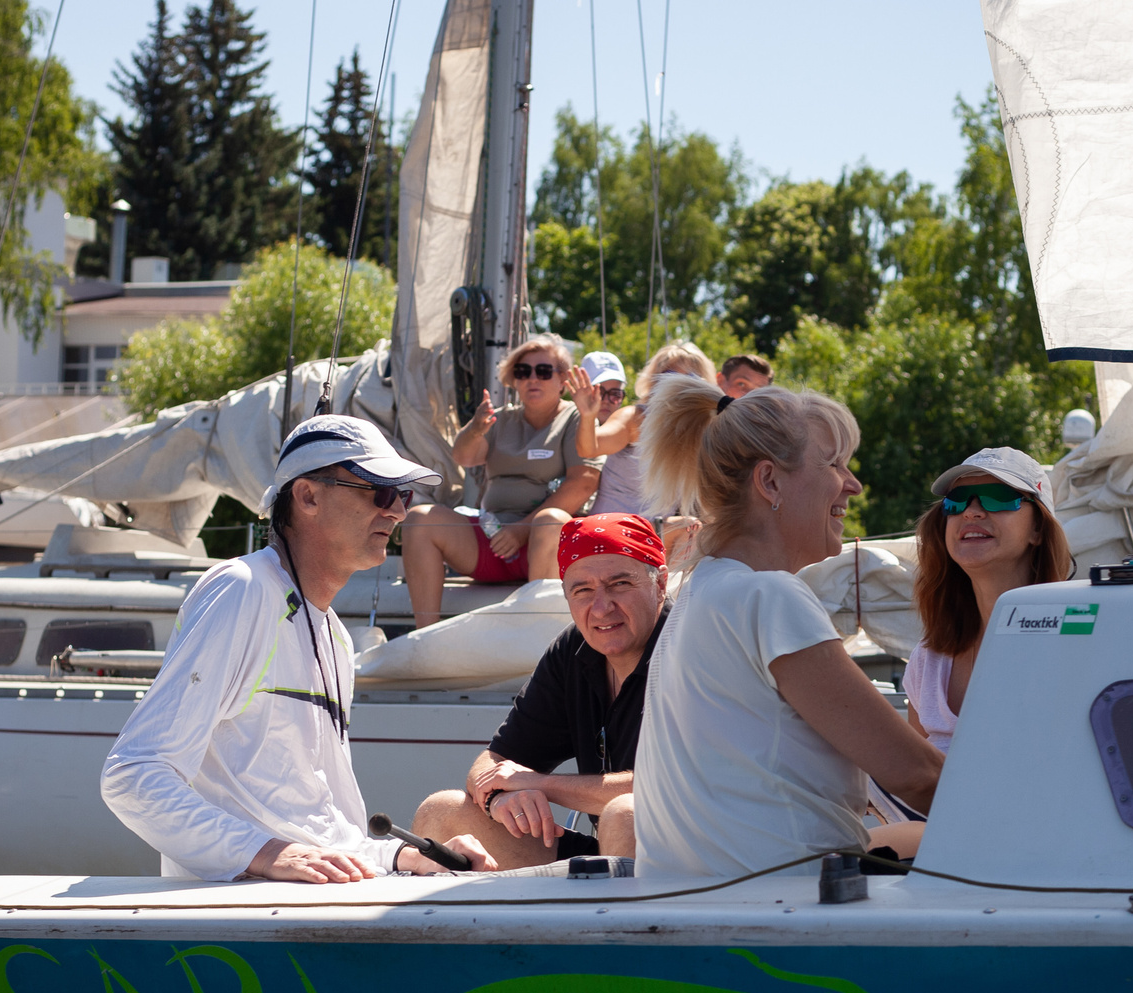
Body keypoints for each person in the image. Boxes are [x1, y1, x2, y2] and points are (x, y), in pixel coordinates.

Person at [103, 417, 498, 883]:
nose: (397, 512)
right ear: (308, 496)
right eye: (379, 492)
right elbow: (133, 774)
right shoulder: (242, 589)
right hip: (239, 915)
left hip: (303, 903)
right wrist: (264, 853)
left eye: (403, 495)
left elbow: (325, 824)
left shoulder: (334, 636)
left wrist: (401, 858)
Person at [630, 377, 945, 878]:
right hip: (788, 916)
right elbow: (918, 775)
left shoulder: (701, 593)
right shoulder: (767, 596)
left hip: (713, 911)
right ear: (770, 482)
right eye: (834, 463)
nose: (853, 484)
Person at [411, 512, 669, 868]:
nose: (601, 607)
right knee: (442, 811)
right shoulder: (573, 650)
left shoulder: (690, 646)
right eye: (583, 590)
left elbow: (669, 788)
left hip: (699, 858)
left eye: (620, 584)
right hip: (613, 853)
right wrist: (498, 798)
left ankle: (620, 925)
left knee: (625, 815)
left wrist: (538, 784)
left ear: (660, 584)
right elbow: (494, 762)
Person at [401, 336, 600, 625]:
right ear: (514, 380)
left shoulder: (575, 419)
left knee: (551, 520)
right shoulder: (500, 419)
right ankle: (424, 637)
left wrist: (522, 530)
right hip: (492, 539)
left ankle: (538, 635)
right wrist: (476, 429)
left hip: (545, 545)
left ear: (562, 380)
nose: (533, 378)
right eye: (522, 371)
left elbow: (583, 482)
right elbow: (465, 456)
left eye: (543, 371)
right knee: (420, 518)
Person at [904, 447, 1074, 755]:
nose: (971, 512)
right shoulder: (927, 663)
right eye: (955, 502)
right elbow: (915, 782)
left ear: (1037, 528)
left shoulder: (1075, 643)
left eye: (997, 496)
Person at [577, 339, 716, 521]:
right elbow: (590, 448)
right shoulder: (635, 419)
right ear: (653, 382)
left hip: (655, 538)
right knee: (689, 526)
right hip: (609, 531)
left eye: (690, 378)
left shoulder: (704, 433)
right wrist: (587, 416)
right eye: (669, 375)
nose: (677, 384)